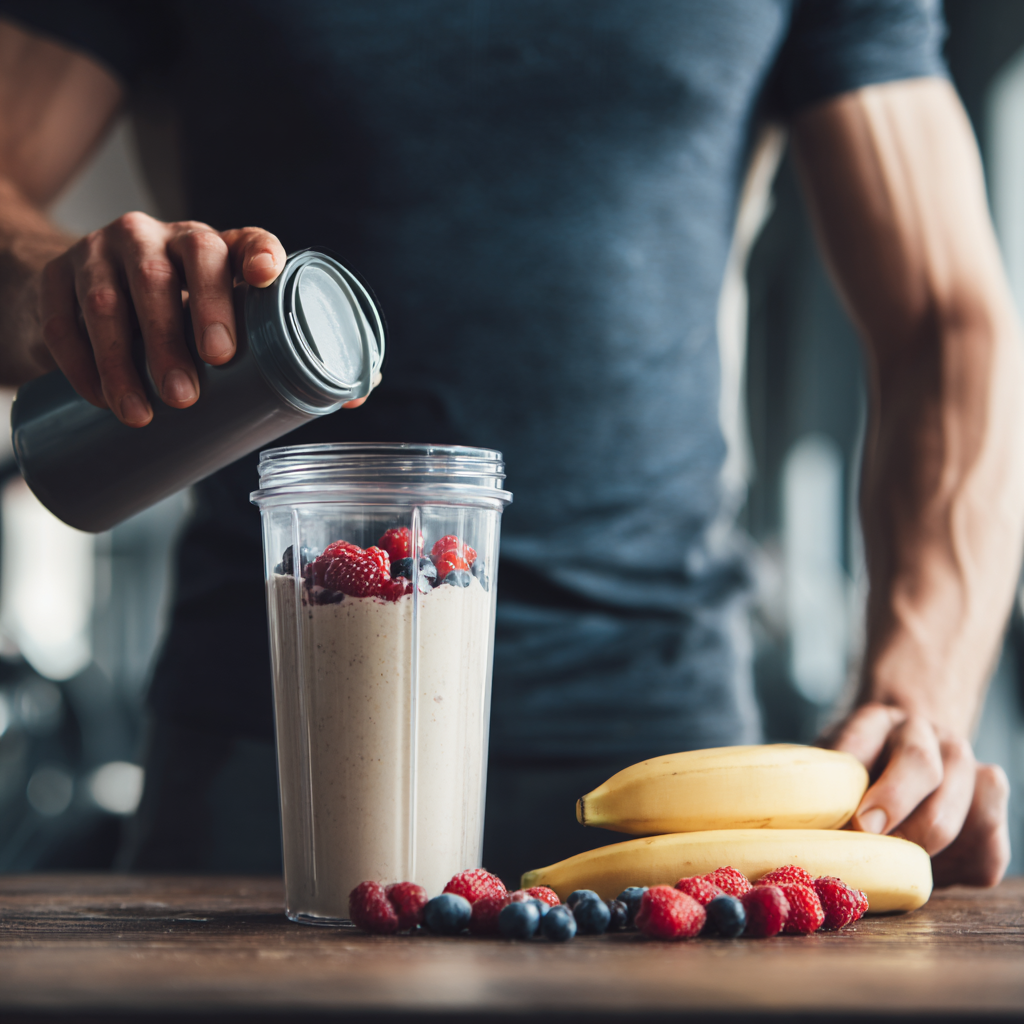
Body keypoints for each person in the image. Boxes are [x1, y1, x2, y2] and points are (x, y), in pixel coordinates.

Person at [0, 0, 1016, 886]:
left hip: (663, 736)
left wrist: (912, 691)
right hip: (270, 743)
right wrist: (65, 288)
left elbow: (942, 321)